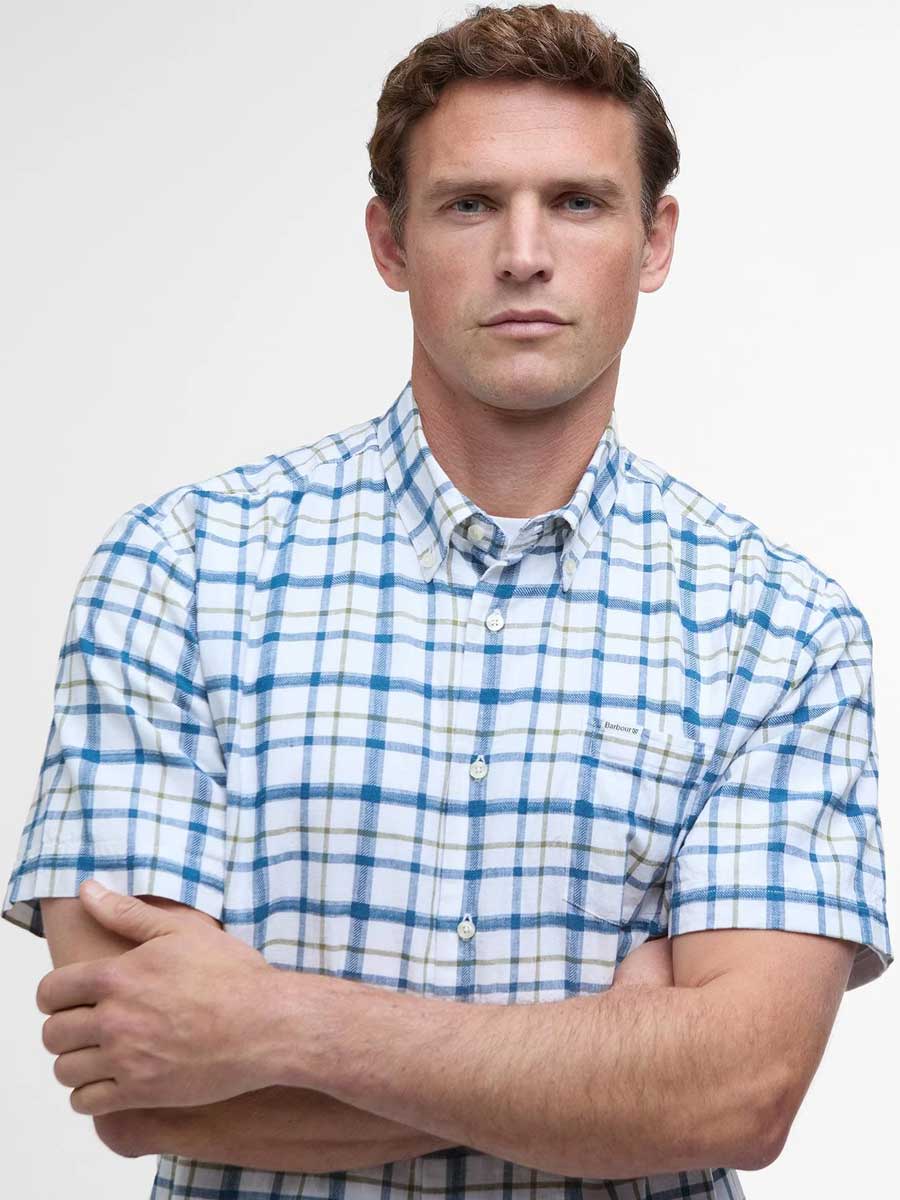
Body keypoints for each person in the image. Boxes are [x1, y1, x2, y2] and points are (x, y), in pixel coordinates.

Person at [3, 5, 892, 1199]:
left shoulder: (780, 628)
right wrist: (608, 1067)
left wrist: (273, 1023)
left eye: (577, 202)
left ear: (655, 241)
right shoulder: (177, 572)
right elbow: (142, 1085)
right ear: (390, 241)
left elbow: (735, 1096)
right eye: (470, 204)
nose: (524, 254)